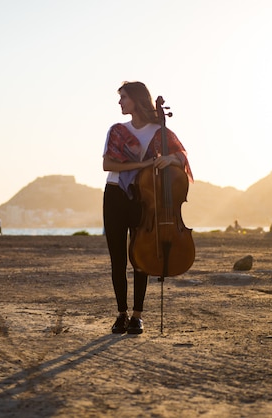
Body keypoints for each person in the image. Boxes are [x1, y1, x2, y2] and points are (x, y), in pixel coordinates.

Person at [102, 81, 193, 335]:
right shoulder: (117, 130)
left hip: (146, 196)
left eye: (123, 98)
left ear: (137, 100)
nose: (120, 103)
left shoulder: (160, 132)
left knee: (140, 256)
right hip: (115, 194)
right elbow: (108, 164)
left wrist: (170, 159)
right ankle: (120, 314)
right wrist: (144, 165)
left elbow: (182, 157)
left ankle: (137, 316)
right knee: (117, 258)